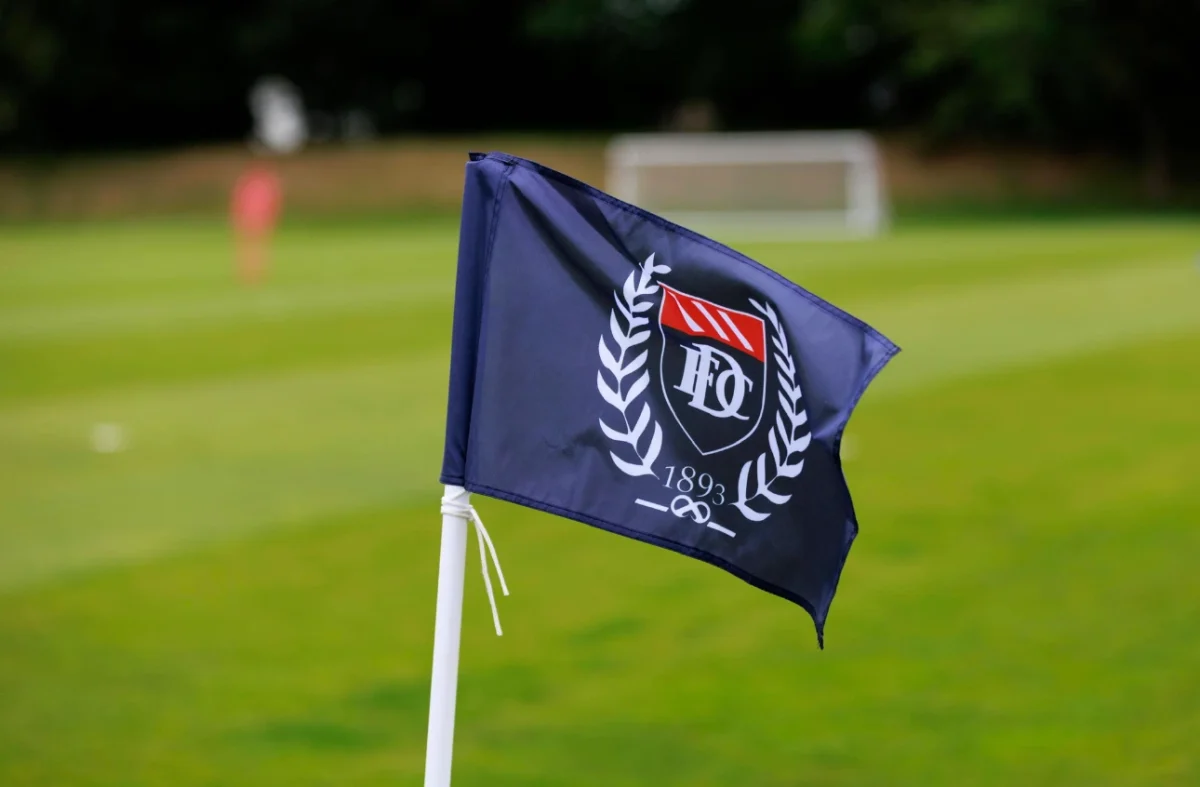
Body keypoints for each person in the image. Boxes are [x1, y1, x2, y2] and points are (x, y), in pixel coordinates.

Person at [230, 162, 282, 285]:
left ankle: (253, 271)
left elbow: (273, 203)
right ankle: (251, 271)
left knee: (254, 246)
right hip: (253, 218)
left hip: (256, 218)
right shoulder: (263, 185)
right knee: (253, 246)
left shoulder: (250, 185)